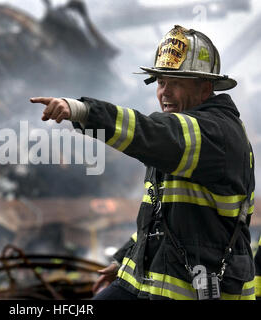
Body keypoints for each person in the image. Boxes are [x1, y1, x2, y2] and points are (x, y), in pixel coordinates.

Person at [31, 25, 255, 300]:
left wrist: (83, 110)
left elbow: (151, 132)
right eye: (161, 82)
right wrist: (127, 257)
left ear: (204, 88)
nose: (165, 93)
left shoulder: (214, 134)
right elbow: (164, 217)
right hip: (150, 283)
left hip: (190, 292)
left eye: (176, 82)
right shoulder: (182, 137)